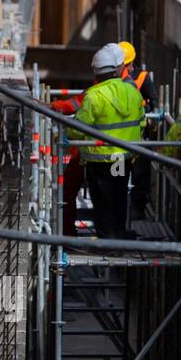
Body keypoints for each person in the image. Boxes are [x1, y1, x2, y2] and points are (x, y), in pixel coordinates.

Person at [71, 42, 145, 239]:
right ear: (117, 68)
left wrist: (64, 132)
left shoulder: (94, 96)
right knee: (119, 196)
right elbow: (142, 121)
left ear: (96, 72)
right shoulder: (132, 91)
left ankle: (107, 241)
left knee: (102, 200)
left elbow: (78, 129)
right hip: (121, 158)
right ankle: (118, 235)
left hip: (100, 162)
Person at [118, 42, 156, 223]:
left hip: (140, 137)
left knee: (140, 174)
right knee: (117, 174)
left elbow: (154, 104)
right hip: (118, 138)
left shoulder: (143, 78)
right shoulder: (113, 79)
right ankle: (117, 209)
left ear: (130, 63)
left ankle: (137, 208)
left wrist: (147, 114)